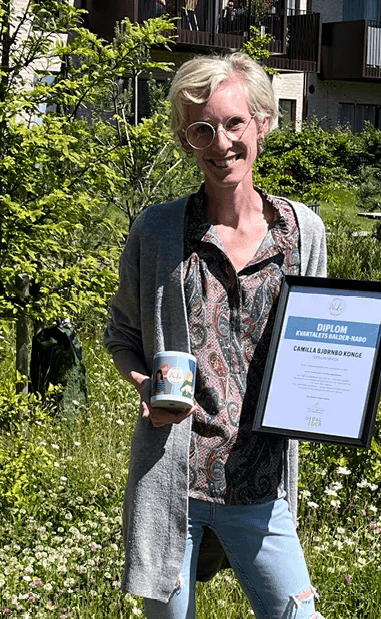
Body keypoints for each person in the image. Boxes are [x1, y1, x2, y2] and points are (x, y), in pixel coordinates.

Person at [103, 53, 326, 619]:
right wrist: (144, 385)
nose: (220, 142)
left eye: (233, 123)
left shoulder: (302, 232)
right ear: (186, 140)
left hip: (261, 481)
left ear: (263, 123)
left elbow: (323, 337)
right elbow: (122, 333)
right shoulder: (155, 231)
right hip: (173, 480)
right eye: (202, 128)